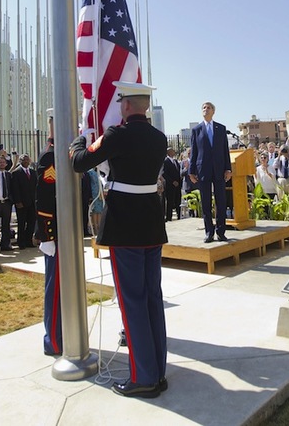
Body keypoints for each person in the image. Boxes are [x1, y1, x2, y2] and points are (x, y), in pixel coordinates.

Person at [71, 81, 168, 399]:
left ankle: (143, 378)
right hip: (151, 224)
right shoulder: (159, 137)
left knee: (132, 302)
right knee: (152, 298)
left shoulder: (117, 134)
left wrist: (77, 142)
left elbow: (80, 162)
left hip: (125, 226)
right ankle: (158, 372)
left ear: (127, 105)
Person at [36, 110, 62, 357]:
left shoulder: (63, 152)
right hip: (55, 233)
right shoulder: (50, 156)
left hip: (67, 231)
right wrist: (48, 236)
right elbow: (44, 200)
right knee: (55, 289)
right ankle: (53, 341)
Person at [189, 101, 232, 243]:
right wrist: (191, 171)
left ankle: (221, 232)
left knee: (221, 201)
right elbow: (194, 152)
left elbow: (225, 151)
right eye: (203, 108)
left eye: (208, 108)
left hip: (219, 170)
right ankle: (209, 232)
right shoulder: (197, 130)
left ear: (213, 111)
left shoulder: (221, 128)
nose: (205, 110)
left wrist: (228, 168)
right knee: (206, 203)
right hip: (203, 170)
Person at [10, 153, 37, 249]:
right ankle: (21, 242)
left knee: (31, 222)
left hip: (32, 202)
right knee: (21, 223)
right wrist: (18, 201)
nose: (26, 161)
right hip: (21, 202)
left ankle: (28, 240)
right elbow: (15, 189)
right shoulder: (16, 173)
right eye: (23, 160)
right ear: (20, 161)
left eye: (27, 160)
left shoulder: (33, 172)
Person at [162, 147, 182, 221]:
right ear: (169, 152)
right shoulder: (166, 161)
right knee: (170, 202)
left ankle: (179, 216)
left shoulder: (175, 161)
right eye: (172, 151)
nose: (174, 152)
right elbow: (164, 174)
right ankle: (169, 218)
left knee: (178, 201)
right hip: (170, 186)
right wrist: (172, 181)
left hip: (178, 185)